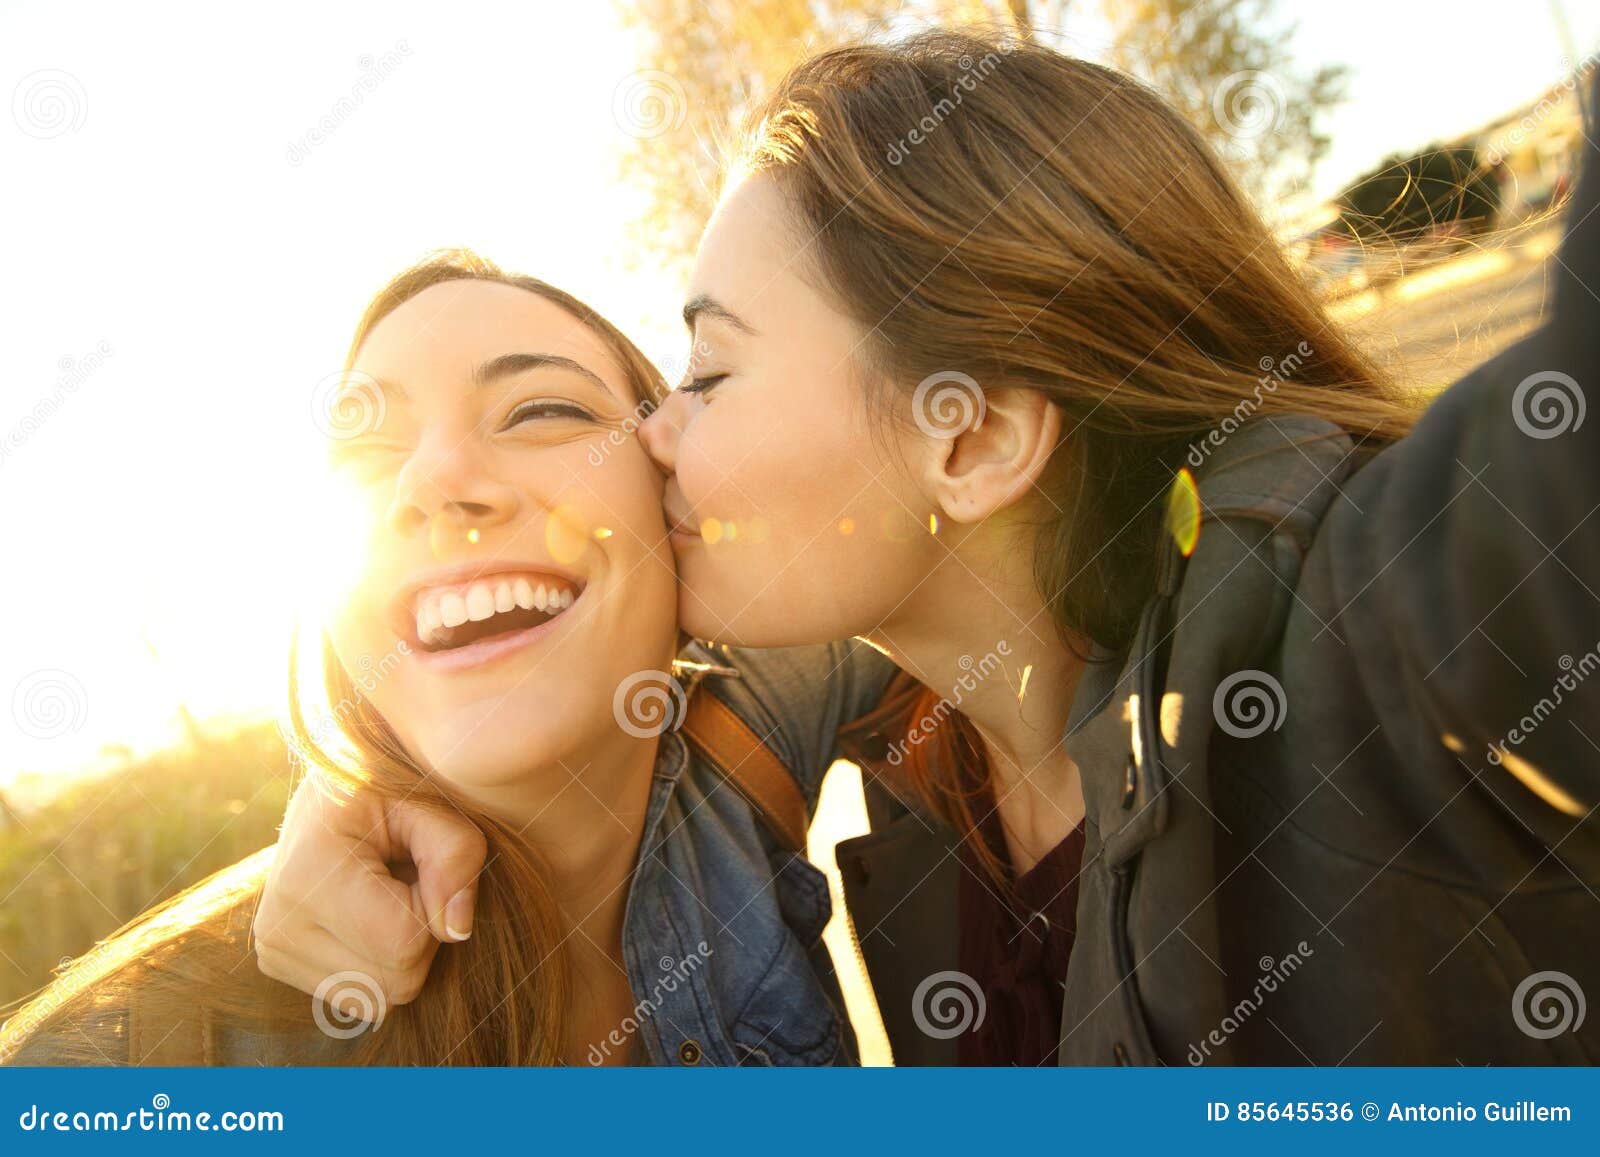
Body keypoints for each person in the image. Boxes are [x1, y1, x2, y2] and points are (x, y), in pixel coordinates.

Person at [255, 30, 1600, 1064]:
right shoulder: (910, 732)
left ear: (970, 439)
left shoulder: (1352, 635)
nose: (656, 434)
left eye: (710, 373)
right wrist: (374, 774)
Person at [0, 250, 895, 1067]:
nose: (430, 481)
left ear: (675, 508)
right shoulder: (118, 1069)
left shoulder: (748, 740)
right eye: (368, 447)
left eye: (541, 410)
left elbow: (934, 563)